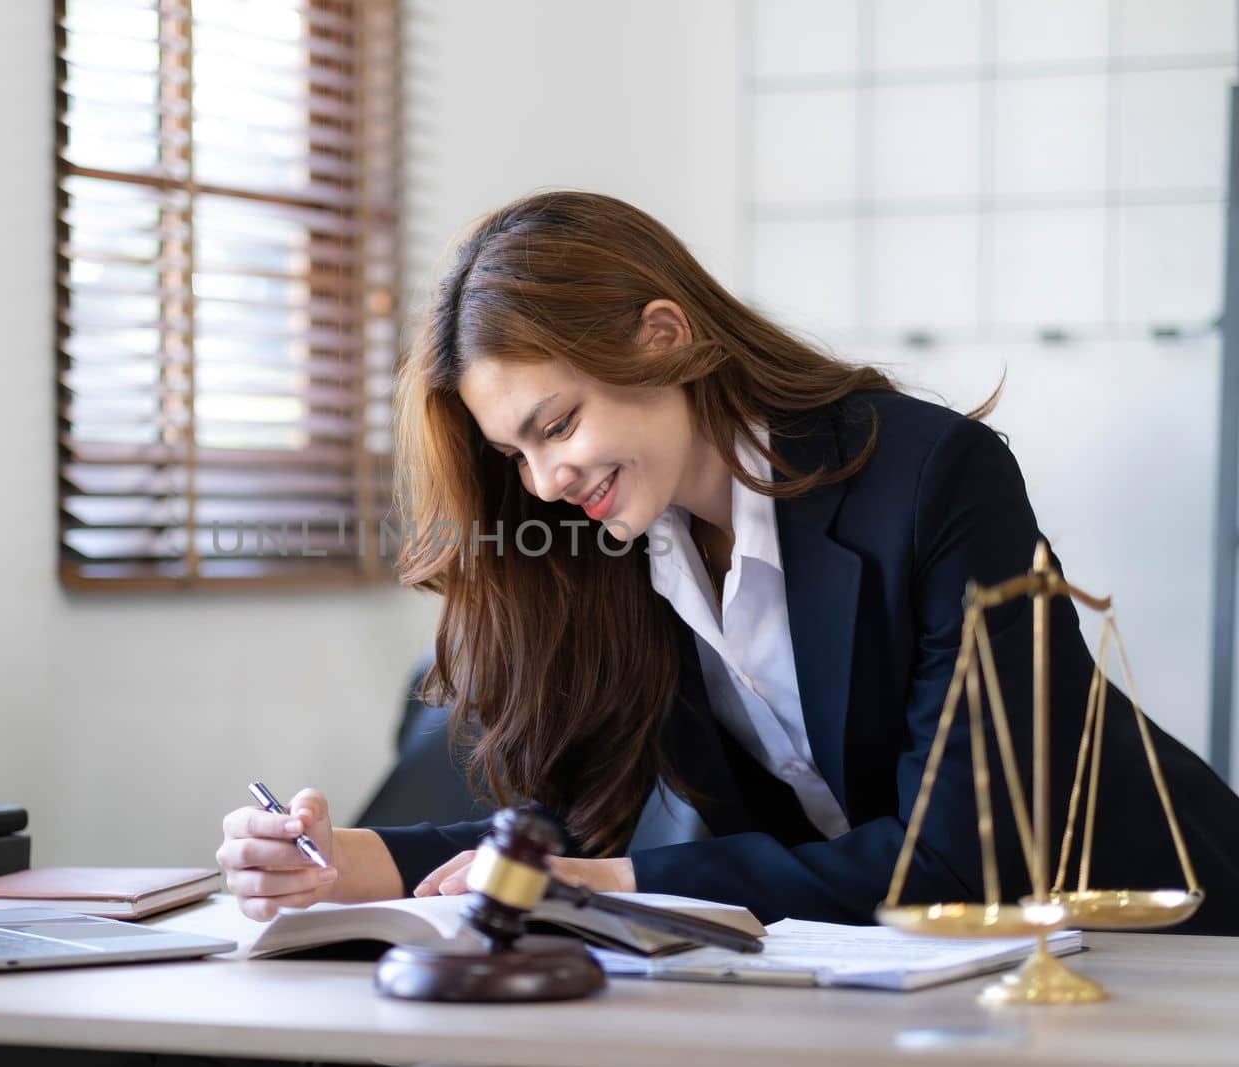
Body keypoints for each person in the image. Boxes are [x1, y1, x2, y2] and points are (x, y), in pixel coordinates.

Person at [215, 191, 1239, 934]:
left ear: (663, 336)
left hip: (1154, 943)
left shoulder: (932, 482)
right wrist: (355, 860)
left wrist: (612, 883)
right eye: (513, 453)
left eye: (556, 424)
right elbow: (578, 816)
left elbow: (959, 856)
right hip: (919, 972)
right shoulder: (621, 538)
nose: (542, 481)